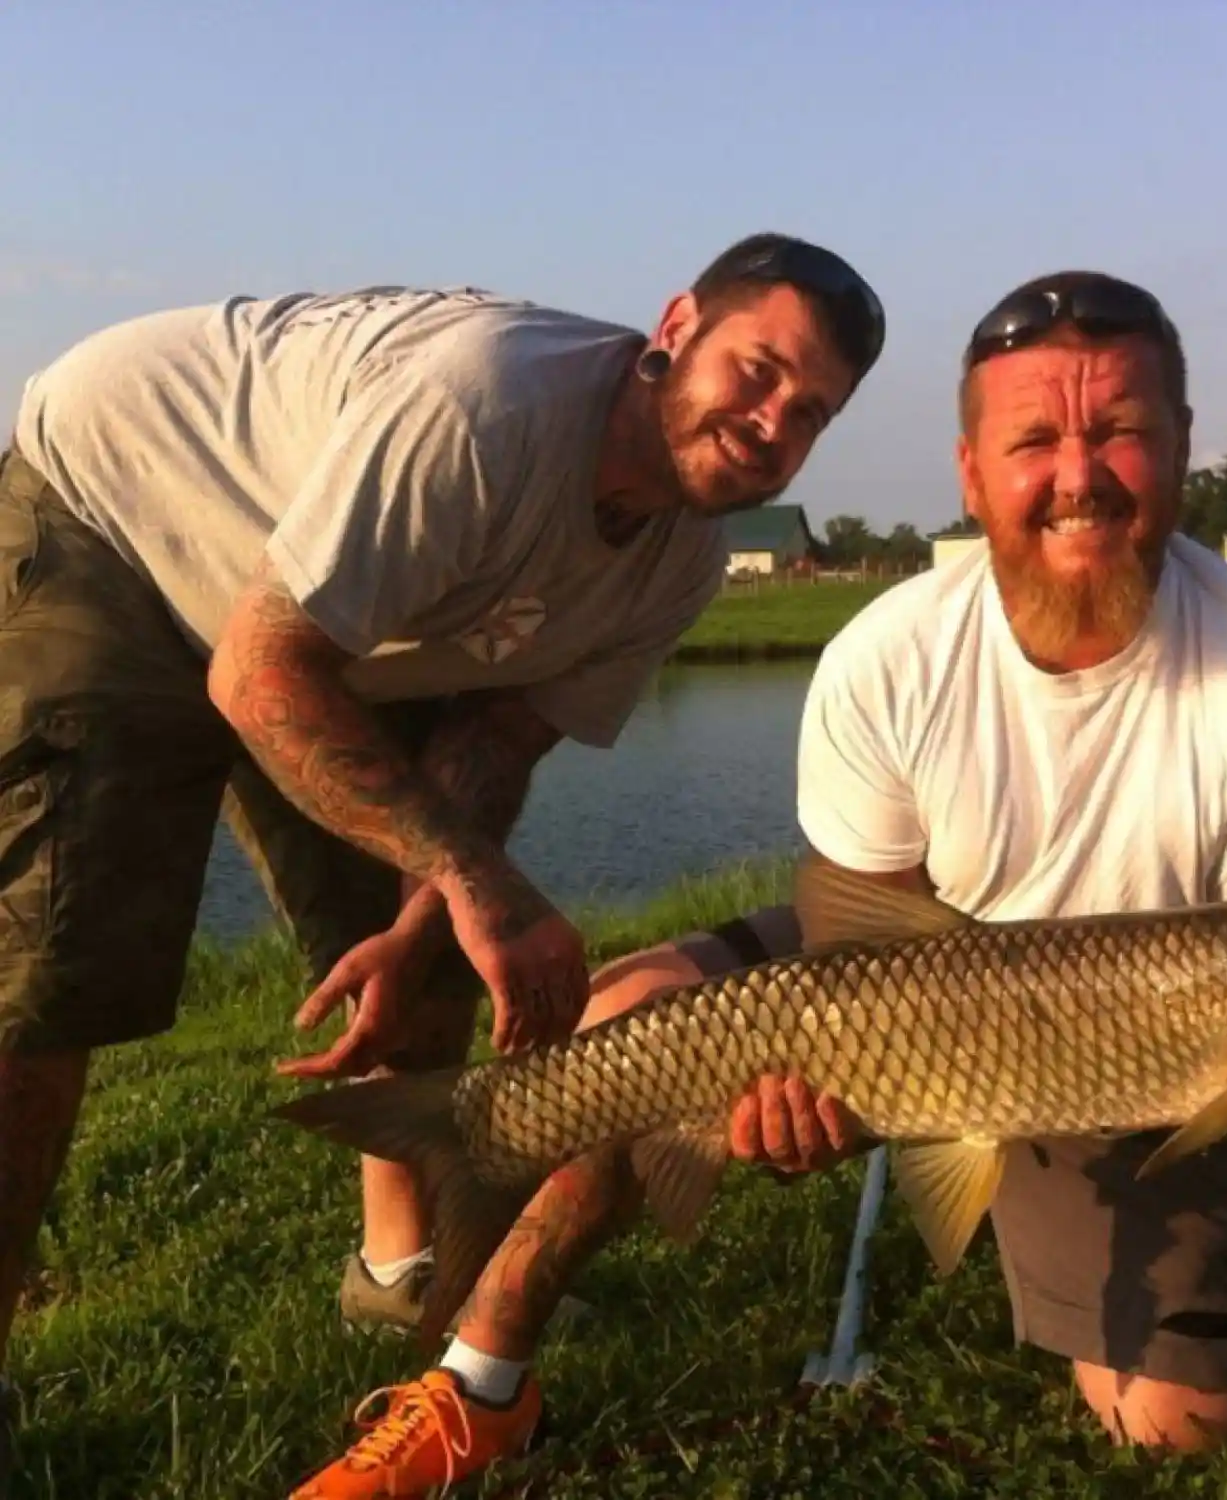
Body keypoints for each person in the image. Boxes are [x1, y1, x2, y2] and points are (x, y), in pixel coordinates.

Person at [285, 266, 1227, 1496]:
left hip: (1135, 1075)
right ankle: (478, 1384)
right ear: (969, 471)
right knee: (625, 1032)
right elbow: (851, 925)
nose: (1079, 475)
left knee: (1180, 1424)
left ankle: (1040, 1221)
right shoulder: (887, 653)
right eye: (1035, 440)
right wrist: (828, 1078)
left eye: (1121, 433)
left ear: (1181, 450)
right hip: (907, 968)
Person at [0, 231, 886, 1492]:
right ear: (676, 326)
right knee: (45, 973)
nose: (770, 425)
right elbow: (257, 673)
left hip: (326, 617)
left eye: (810, 415)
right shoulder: (488, 409)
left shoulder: (681, 561)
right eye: (758, 372)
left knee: (429, 949)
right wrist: (481, 885)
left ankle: (399, 1265)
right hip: (124, 519)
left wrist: (437, 914)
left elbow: (498, 740)